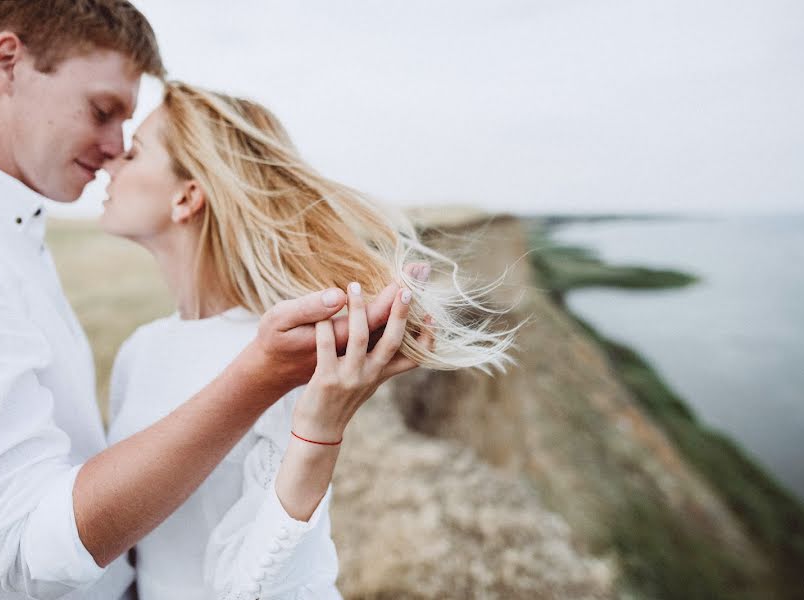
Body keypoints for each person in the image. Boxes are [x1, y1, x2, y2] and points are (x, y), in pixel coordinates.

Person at [0, 2, 412, 599]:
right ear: (8, 63)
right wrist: (256, 378)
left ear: (189, 197)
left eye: (131, 139)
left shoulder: (13, 233)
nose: (112, 150)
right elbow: (24, 546)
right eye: (103, 111)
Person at [99, 81, 516, 599]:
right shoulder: (140, 350)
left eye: (134, 152)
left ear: (186, 197)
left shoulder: (279, 354)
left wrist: (320, 429)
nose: (109, 160)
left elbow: (262, 588)